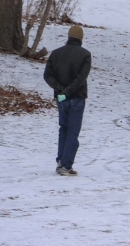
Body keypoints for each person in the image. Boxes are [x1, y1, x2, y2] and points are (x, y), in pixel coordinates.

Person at [43, 25, 92, 177]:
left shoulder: (56, 54)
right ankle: (66, 165)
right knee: (73, 132)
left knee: (63, 128)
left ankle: (60, 161)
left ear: (69, 36)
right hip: (77, 98)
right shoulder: (85, 55)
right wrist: (69, 91)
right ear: (81, 38)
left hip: (61, 99)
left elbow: (47, 75)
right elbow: (81, 78)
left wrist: (60, 90)